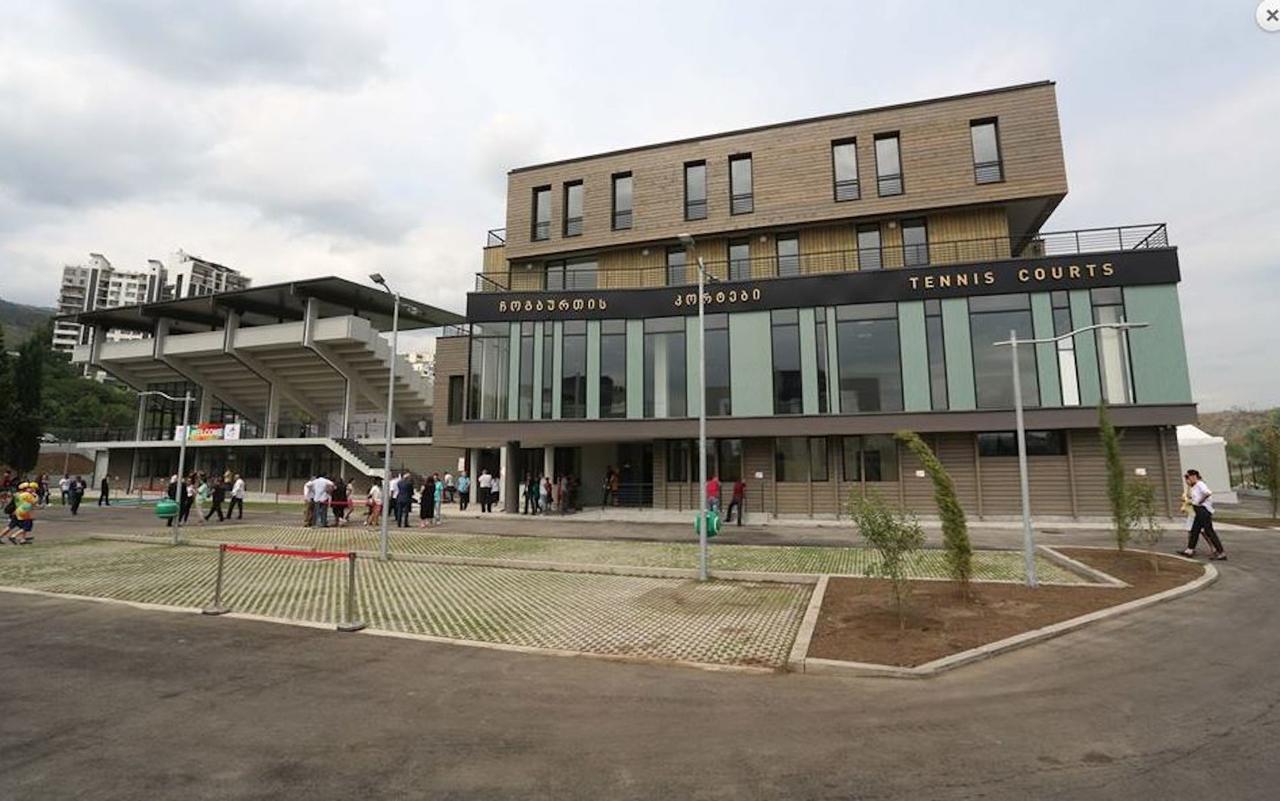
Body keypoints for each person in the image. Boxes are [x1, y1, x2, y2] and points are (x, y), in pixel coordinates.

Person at [1179, 469, 1227, 560]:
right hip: (1198, 511)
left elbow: (1208, 493)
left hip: (1203, 510)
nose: (1188, 479)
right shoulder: (1194, 486)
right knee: (1195, 530)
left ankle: (1221, 552)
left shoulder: (1200, 484)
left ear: (1194, 476)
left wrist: (1200, 501)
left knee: (1209, 531)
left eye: (1189, 477)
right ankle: (1189, 550)